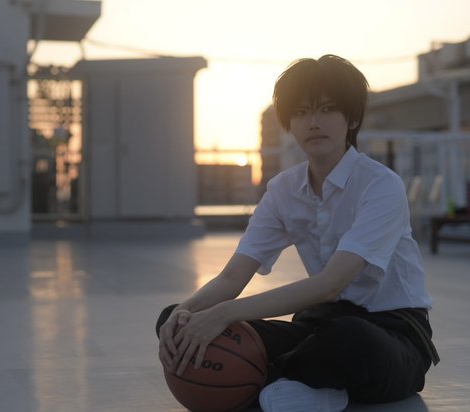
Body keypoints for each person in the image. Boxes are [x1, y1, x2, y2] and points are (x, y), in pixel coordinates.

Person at [156, 54, 438, 412]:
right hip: (318, 328)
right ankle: (296, 384)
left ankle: (281, 381)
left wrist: (223, 314)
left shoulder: (381, 186)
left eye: (327, 109)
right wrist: (187, 312)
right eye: (301, 112)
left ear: (352, 118)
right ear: (289, 122)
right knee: (174, 319)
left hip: (392, 334)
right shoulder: (283, 190)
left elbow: (330, 284)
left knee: (349, 340)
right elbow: (231, 277)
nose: (313, 122)